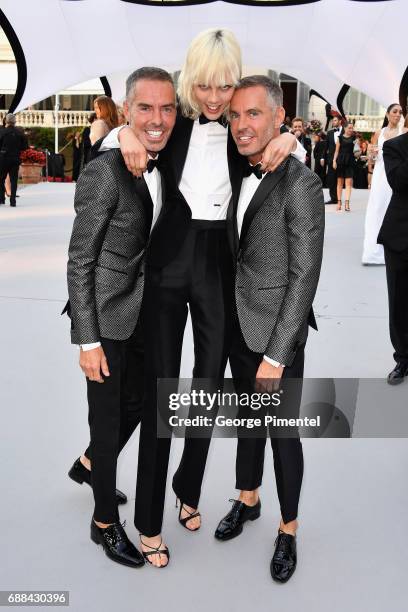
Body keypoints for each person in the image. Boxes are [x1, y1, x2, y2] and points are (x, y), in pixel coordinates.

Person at [99, 28, 306, 568]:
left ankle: (188, 489)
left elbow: (278, 139)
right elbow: (129, 130)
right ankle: (148, 521)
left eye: (225, 87)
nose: (216, 99)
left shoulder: (243, 129)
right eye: (207, 86)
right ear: (192, 81)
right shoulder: (174, 122)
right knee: (166, 395)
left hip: (219, 267)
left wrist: (295, 141)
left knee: (207, 390)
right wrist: (121, 134)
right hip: (167, 264)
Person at [214, 75, 324, 583]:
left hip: (279, 332)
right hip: (237, 323)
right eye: (235, 115)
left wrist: (277, 356)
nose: (241, 126)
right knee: (247, 422)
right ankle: (248, 498)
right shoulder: (237, 165)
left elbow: (305, 277)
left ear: (279, 118)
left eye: (253, 114)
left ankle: (288, 527)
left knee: (282, 434)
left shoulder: (302, 185)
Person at [66, 67, 177, 568]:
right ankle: (103, 522)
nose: (157, 119)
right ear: (126, 110)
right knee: (108, 420)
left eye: (167, 108)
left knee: (137, 404)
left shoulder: (162, 155)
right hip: (105, 315)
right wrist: (87, 341)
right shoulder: (105, 169)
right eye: (145, 108)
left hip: (143, 311)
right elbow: (80, 259)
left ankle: (91, 464)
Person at [378, 130, 408, 384]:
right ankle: (403, 359)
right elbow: (398, 181)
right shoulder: (394, 146)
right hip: (401, 237)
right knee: (399, 303)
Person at [362, 103, 405, 264]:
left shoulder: (404, 132)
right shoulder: (378, 133)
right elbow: (371, 159)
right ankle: (373, 252)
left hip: (396, 174)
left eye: (400, 112)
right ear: (387, 114)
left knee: (394, 209)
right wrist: (372, 155)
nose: (398, 115)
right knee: (377, 209)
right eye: (395, 111)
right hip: (380, 176)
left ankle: (394, 250)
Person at [0, 113, 28, 206]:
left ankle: (1, 199)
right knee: (14, 180)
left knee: (1, 179)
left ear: (6, 121)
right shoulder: (20, 133)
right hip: (15, 158)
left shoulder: (2, 132)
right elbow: (24, 147)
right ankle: (13, 201)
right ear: (15, 122)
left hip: (3, 159)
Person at [333, 121, 357, 211]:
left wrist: (357, 151)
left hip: (350, 161)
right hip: (341, 161)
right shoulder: (340, 138)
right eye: (349, 128)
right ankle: (339, 203)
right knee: (339, 183)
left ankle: (347, 203)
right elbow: (336, 151)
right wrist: (334, 161)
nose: (351, 129)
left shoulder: (354, 137)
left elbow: (356, 149)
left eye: (352, 128)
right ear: (345, 128)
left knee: (348, 183)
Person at [324, 115, 343, 204]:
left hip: (343, 159)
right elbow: (326, 146)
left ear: (340, 121)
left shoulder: (345, 131)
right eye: (333, 121)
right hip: (331, 159)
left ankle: (339, 198)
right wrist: (322, 157)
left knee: (340, 178)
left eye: (335, 120)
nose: (333, 122)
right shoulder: (330, 133)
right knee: (331, 179)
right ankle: (333, 198)